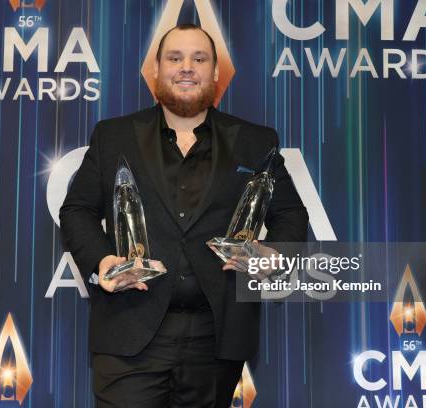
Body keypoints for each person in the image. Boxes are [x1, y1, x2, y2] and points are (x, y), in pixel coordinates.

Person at [60, 23, 308, 408]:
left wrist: (272, 255)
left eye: (199, 58)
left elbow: (291, 213)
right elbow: (76, 210)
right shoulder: (113, 136)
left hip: (216, 338)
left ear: (215, 73)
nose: (187, 67)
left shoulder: (256, 140)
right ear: (156, 70)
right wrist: (102, 261)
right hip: (129, 332)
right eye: (175, 58)